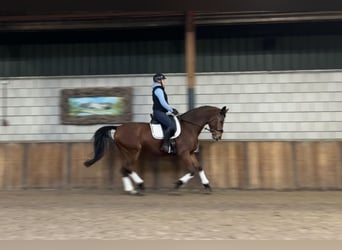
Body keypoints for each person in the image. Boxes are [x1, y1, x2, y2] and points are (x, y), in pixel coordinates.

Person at [151, 73, 179, 153]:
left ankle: (171, 142)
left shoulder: (159, 89)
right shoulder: (158, 90)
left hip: (161, 112)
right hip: (159, 112)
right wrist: (171, 109)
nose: (164, 81)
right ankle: (165, 145)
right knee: (172, 126)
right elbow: (163, 103)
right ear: (159, 80)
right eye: (163, 80)